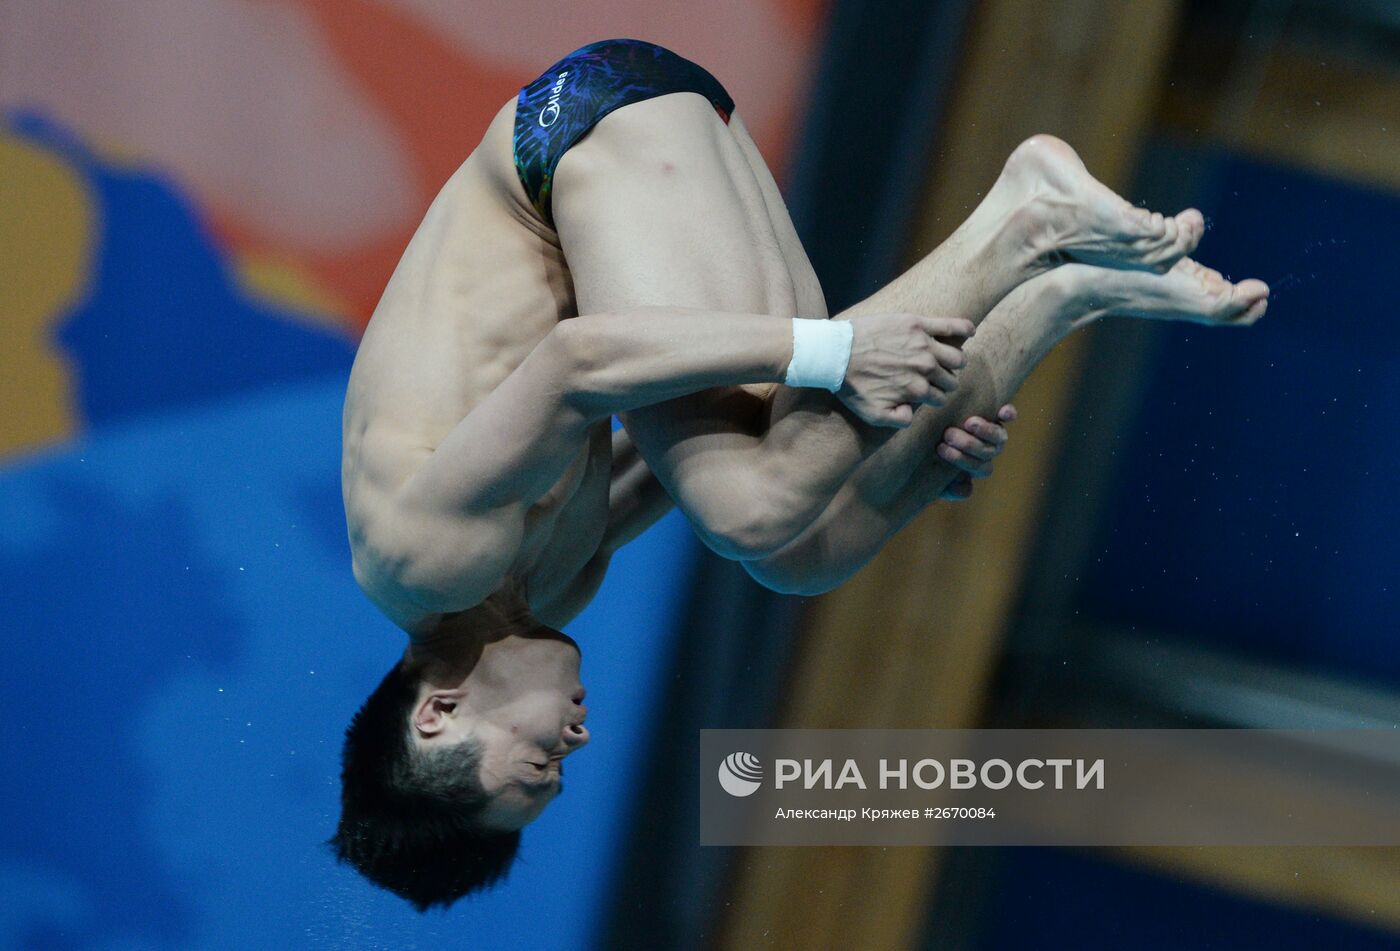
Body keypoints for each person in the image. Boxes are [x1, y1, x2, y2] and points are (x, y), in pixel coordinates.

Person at [330, 38, 1268, 909]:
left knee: (749, 509)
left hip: (579, 139)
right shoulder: (544, 591)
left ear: (439, 715)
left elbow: (576, 365)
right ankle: (1065, 290)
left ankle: (1023, 222)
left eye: (536, 763)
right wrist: (900, 454)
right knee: (796, 549)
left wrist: (827, 356)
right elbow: (718, 455)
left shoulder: (421, 560)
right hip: (646, 170)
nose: (572, 742)